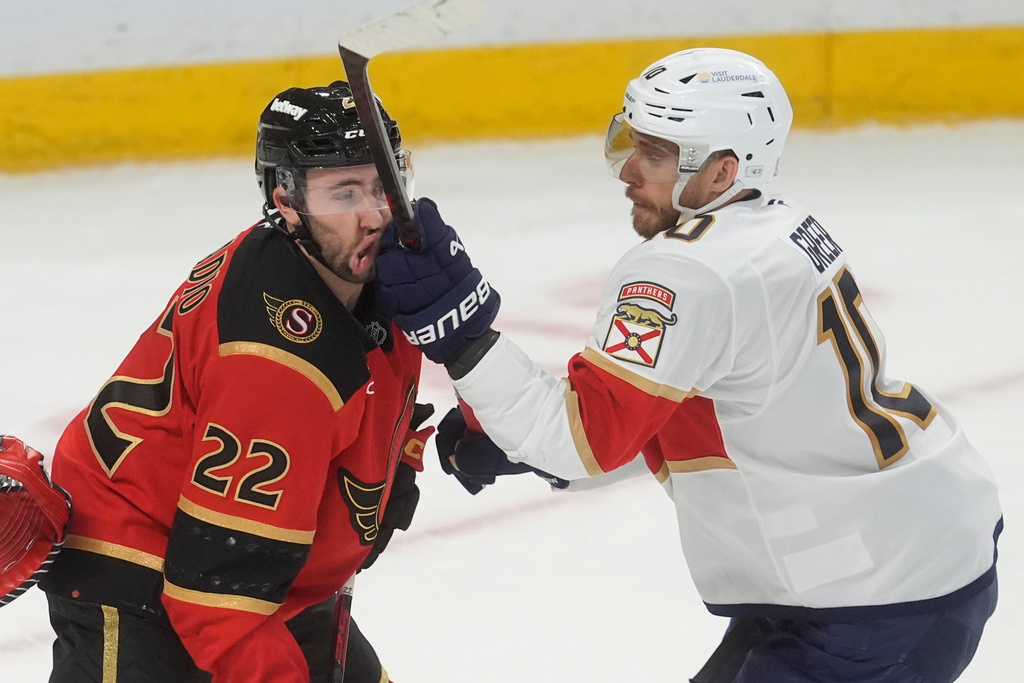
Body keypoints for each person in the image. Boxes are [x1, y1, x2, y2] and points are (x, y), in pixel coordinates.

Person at [374, 48, 1002, 682]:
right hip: (895, 550)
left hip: (873, 602)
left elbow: (584, 440)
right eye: (630, 143)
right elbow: (687, 414)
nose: (628, 171)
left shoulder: (688, 270)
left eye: (655, 155)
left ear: (723, 172)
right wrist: (527, 446)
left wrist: (464, 339)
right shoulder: (775, 225)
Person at [38, 81, 433, 683]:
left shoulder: (354, 270)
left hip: (255, 562)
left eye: (384, 185)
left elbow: (374, 383)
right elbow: (217, 597)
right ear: (287, 200)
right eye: (345, 192)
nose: (375, 213)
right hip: (141, 566)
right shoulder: (277, 363)